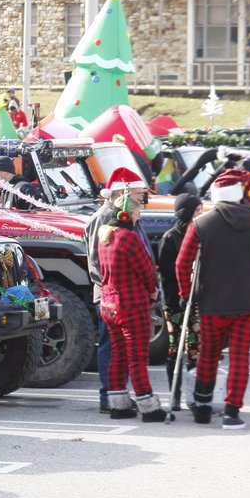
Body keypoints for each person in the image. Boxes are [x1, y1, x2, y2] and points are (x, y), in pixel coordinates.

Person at [176, 169, 250, 429]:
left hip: (212, 301)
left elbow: (182, 264)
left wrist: (185, 294)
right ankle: (232, 412)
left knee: (208, 354)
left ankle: (203, 407)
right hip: (248, 301)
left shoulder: (201, 223)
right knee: (240, 357)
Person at [84, 166, 153, 414]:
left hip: (120, 293)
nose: (140, 199)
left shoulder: (125, 215)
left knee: (121, 349)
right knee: (113, 348)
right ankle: (109, 397)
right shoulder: (104, 220)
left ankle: (119, 397)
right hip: (113, 295)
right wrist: (113, 288)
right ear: (119, 193)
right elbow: (97, 262)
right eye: (136, 194)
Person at [95, 190, 167, 421]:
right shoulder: (129, 237)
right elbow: (146, 269)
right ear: (126, 215)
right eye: (136, 213)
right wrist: (153, 290)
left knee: (118, 354)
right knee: (137, 358)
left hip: (109, 303)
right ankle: (148, 406)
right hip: (131, 303)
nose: (138, 218)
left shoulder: (105, 235)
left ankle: (119, 405)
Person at [157, 193, 203, 410]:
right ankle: (174, 394)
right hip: (175, 300)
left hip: (197, 299)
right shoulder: (171, 237)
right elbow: (166, 271)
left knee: (195, 348)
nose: (200, 215)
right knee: (176, 348)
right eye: (197, 211)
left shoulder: (202, 234)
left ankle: (194, 395)